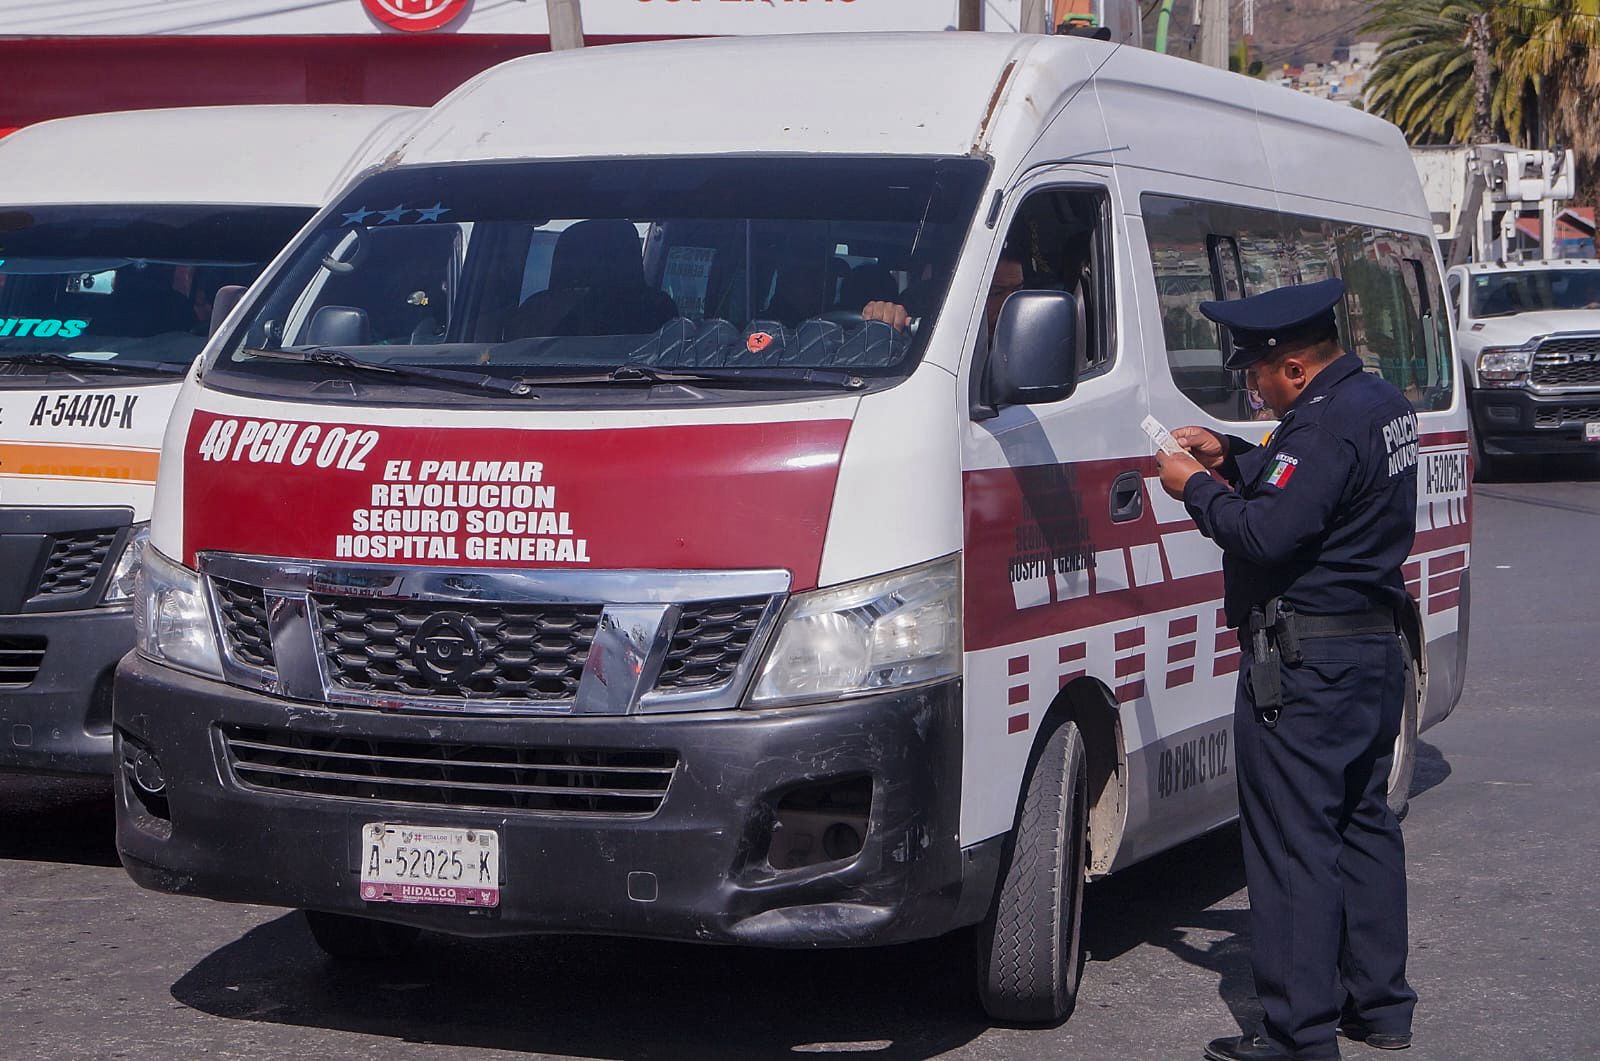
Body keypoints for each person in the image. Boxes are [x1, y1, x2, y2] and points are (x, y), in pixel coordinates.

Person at [1153, 278, 1420, 1061]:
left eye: (1259, 377)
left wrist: (1194, 486)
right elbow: (1319, 497)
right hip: (1371, 648)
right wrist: (1234, 454)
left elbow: (1269, 534)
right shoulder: (1379, 403)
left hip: (1307, 662)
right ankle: (1380, 1005)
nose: (1256, 391)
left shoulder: (1320, 429)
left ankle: (1299, 1035)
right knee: (1364, 822)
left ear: (1296, 368)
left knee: (1293, 839)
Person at [861, 246, 1025, 335]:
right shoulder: (931, 348)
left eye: (1017, 291)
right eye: (996, 293)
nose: (1009, 305)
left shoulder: (1030, 343)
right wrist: (881, 325)